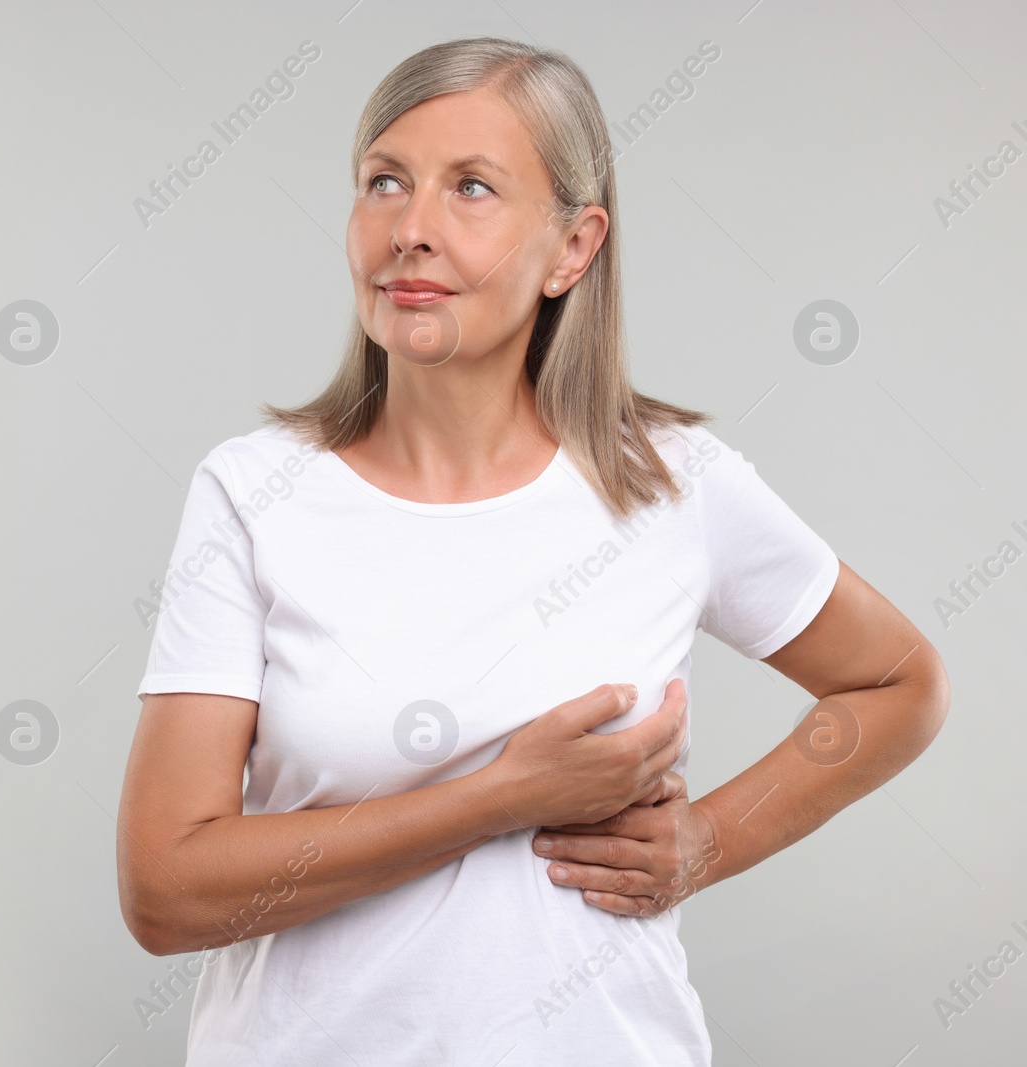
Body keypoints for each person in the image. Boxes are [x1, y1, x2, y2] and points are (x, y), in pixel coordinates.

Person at [116, 36, 948, 1066]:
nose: (409, 229)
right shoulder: (256, 492)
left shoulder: (672, 483)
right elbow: (165, 888)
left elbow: (896, 682)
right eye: (384, 182)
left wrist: (704, 843)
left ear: (571, 248)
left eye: (471, 188)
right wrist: (499, 797)